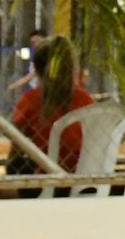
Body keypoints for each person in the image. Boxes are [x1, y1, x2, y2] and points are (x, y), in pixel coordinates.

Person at [12, 34, 95, 174]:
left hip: (45, 175)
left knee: (16, 164)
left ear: (37, 70)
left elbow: (16, 143)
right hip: (82, 174)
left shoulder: (30, 99)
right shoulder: (84, 99)